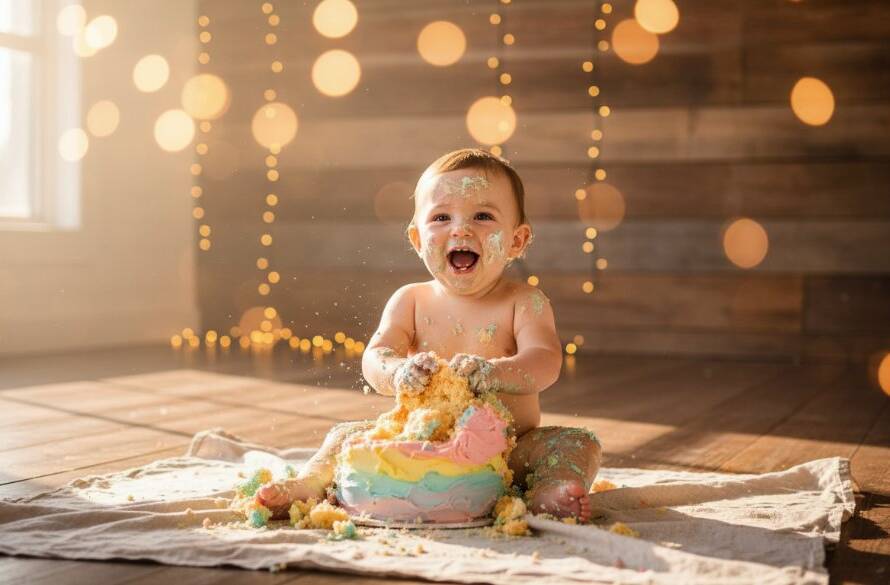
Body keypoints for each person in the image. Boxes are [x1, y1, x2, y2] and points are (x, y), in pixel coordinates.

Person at [258, 148, 602, 521]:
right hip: (417, 445)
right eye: (441, 217)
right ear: (418, 239)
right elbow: (376, 356)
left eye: (483, 216)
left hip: (507, 452)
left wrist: (494, 373)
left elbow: (546, 362)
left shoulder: (525, 302)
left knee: (578, 442)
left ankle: (550, 489)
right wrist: (397, 373)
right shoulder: (410, 300)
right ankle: (310, 483)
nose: (461, 229)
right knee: (345, 434)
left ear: (517, 241)